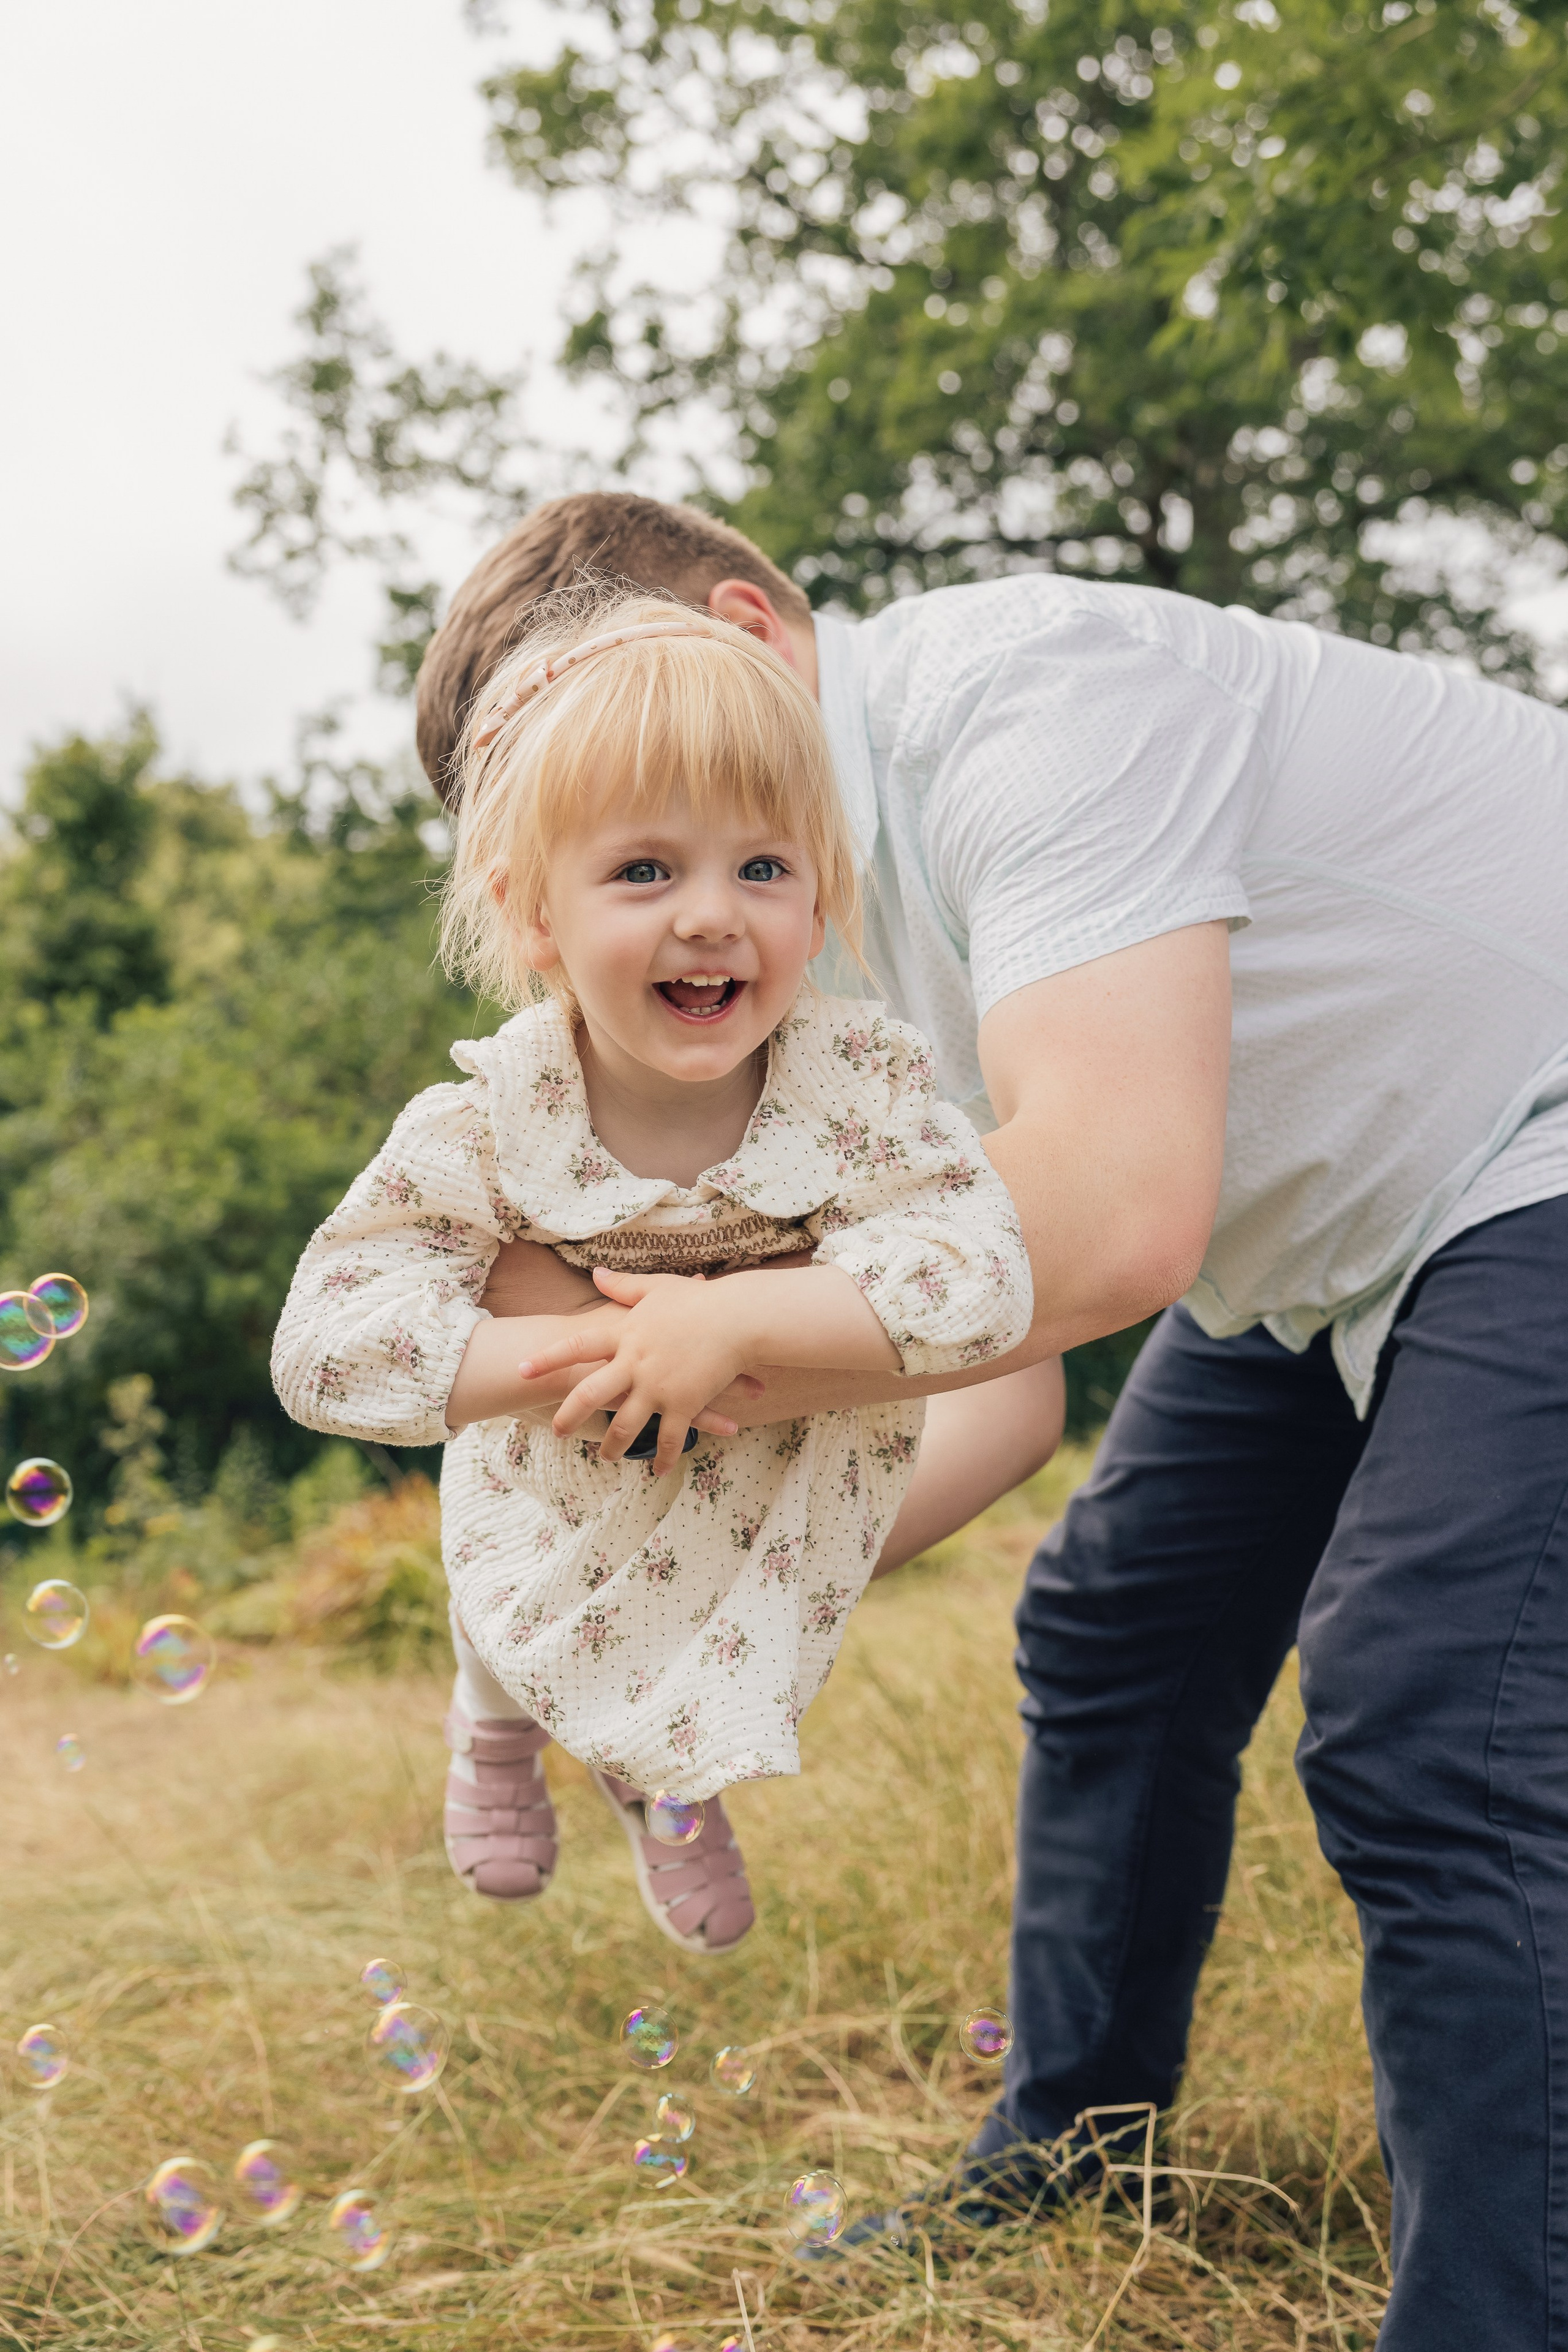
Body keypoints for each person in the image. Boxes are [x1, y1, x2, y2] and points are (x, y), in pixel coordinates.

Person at [413, 491, 1568, 2350]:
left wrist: (727, 1328)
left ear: (752, 633)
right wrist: (682, 1596)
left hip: (1531, 1138)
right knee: (1119, 1627)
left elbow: (1111, 1213)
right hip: (1349, 1232)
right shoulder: (797, 938)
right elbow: (993, 1369)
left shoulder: (1031, 703)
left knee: (1434, 1722)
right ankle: (1075, 2152)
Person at [273, 587, 1036, 1958]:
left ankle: (655, 1779)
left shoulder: (859, 1094)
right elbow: (326, 1342)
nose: (710, 917)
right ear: (532, 916)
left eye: (762, 868)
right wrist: (569, 1358)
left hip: (753, 1490)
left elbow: (979, 1273)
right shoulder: (489, 1118)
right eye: (643, 872)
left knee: (672, 1685)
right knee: (510, 1587)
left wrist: (737, 1314)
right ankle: (492, 1727)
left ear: (822, 896)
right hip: (552, 1480)